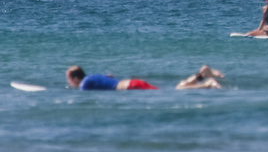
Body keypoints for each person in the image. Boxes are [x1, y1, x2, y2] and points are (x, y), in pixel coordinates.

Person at [65, 64, 226, 91]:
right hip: (133, 83)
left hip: (132, 87)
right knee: (173, 89)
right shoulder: (92, 77)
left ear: (74, 78)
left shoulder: (84, 85)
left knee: (176, 91)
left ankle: (208, 84)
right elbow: (110, 77)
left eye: (69, 79)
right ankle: (201, 75)